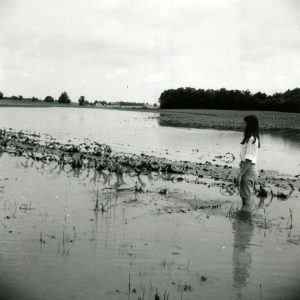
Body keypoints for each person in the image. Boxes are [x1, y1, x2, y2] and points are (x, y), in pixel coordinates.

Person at [236, 115, 260, 211]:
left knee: (246, 201)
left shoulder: (252, 139)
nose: (244, 125)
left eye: (245, 123)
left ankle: (246, 222)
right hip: (247, 169)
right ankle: (245, 223)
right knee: (245, 198)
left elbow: (249, 160)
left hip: (248, 170)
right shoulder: (250, 138)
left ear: (250, 125)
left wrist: (239, 176)